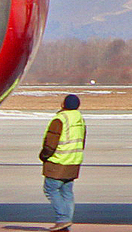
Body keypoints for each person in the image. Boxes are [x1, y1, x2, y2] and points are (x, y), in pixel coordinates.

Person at [39, 93, 85, 231]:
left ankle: (63, 219)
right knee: (67, 192)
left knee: (50, 189)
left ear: (63, 104)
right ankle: (66, 224)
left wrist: (44, 155)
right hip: (74, 160)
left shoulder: (60, 119)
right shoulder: (79, 119)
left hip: (58, 162)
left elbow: (51, 143)